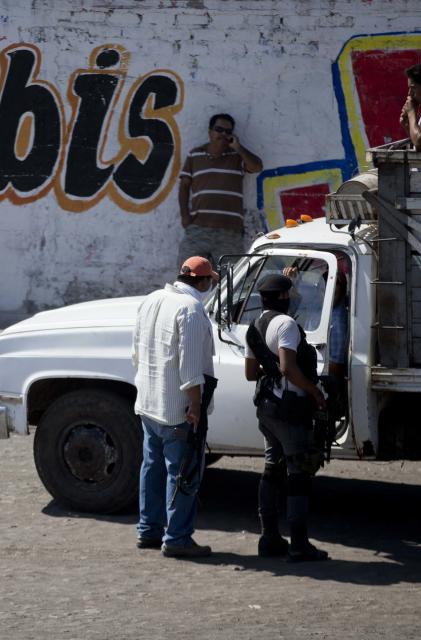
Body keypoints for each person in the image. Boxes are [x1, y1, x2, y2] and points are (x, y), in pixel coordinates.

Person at [132, 256, 218, 558]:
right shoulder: (191, 309)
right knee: (182, 472)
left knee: (151, 468)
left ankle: (148, 530)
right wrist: (195, 404)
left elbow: (136, 351)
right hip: (177, 408)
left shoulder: (153, 298)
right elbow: (191, 366)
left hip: (149, 402)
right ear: (204, 281)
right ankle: (177, 537)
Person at [244, 274, 329, 562]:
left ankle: (269, 538)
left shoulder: (254, 326)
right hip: (290, 409)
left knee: (272, 469)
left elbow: (249, 373)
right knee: (298, 473)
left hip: (267, 408)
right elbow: (288, 367)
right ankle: (299, 543)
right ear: (283, 297)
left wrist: (271, 375)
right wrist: (314, 392)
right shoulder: (287, 324)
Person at [178, 113, 262, 266]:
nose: (223, 134)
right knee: (187, 275)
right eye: (219, 129)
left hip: (230, 232)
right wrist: (185, 217)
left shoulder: (237, 157)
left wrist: (238, 147)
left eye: (227, 132)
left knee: (229, 282)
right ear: (210, 131)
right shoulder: (195, 155)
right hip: (198, 230)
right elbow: (184, 186)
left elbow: (256, 167)